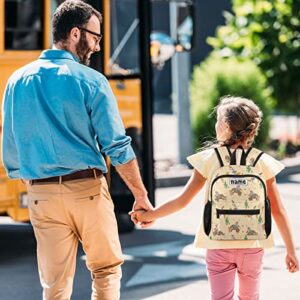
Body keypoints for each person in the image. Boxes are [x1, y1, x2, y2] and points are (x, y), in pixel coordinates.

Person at [1, 1, 153, 299]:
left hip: (41, 195)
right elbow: (117, 145)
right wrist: (140, 195)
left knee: (54, 284)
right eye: (95, 37)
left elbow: (11, 143)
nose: (96, 46)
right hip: (87, 190)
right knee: (105, 270)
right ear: (74, 33)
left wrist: (34, 182)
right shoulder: (91, 80)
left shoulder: (16, 80)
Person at [130, 96, 299, 299]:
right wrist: (290, 250)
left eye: (218, 120)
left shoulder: (209, 159)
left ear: (226, 126)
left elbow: (182, 200)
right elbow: (279, 210)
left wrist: (150, 214)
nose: (216, 124)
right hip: (253, 246)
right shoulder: (261, 162)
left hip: (218, 243)